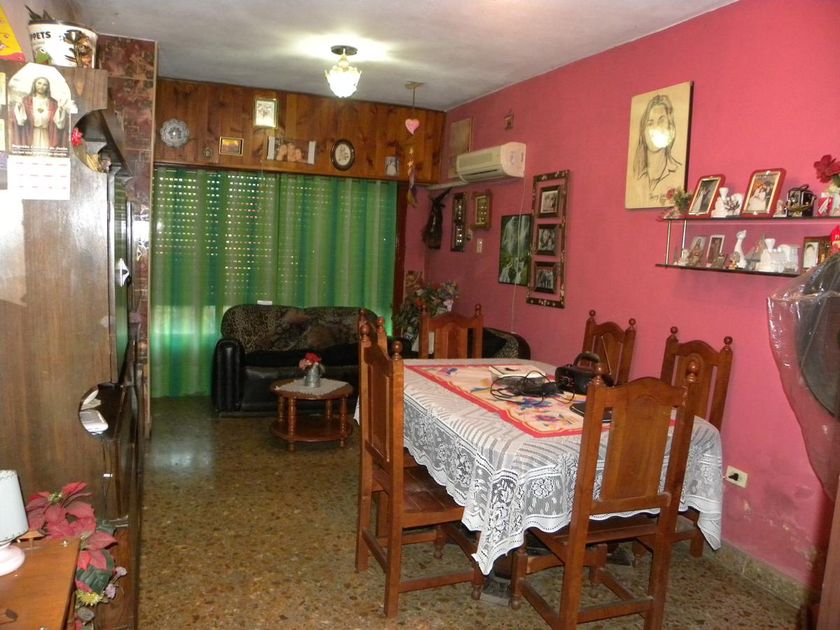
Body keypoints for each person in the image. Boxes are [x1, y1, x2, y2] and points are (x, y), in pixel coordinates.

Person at [629, 94, 682, 206]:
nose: (655, 128)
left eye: (661, 121)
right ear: (643, 132)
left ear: (670, 128)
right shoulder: (636, 178)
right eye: (650, 123)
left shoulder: (678, 172)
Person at [13, 76, 68, 151]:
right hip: (31, 134)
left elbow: (60, 124)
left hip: (46, 134)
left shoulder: (53, 103)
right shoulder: (26, 101)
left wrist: (60, 109)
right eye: (39, 83)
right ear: (34, 84)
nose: (41, 86)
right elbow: (20, 121)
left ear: (47, 87)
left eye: (44, 84)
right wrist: (19, 106)